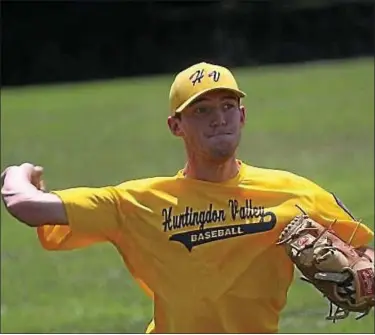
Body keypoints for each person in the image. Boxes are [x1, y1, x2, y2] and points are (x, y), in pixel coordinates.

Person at [1, 62, 374, 334]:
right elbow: (26, 205)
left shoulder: (294, 193)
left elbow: (366, 247)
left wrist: (366, 275)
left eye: (227, 107)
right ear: (175, 126)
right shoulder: (139, 202)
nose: (218, 119)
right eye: (201, 110)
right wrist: (19, 172)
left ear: (242, 116)